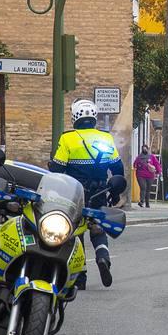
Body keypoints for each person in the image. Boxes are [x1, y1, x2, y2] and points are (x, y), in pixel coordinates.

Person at [50, 100, 125, 287]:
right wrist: (115, 193)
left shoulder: (68, 138)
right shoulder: (105, 138)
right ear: (94, 116)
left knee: (75, 232)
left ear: (74, 116)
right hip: (100, 190)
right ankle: (102, 256)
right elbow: (117, 168)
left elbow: (57, 169)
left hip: (75, 192)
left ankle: (80, 276)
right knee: (97, 227)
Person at [133, 144, 161, 208]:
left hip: (150, 176)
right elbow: (135, 164)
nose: (144, 149)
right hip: (141, 175)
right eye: (143, 148)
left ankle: (147, 203)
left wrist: (158, 171)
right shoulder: (139, 157)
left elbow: (157, 164)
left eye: (146, 148)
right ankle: (142, 201)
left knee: (148, 189)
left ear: (148, 149)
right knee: (143, 187)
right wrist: (136, 166)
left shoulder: (152, 156)